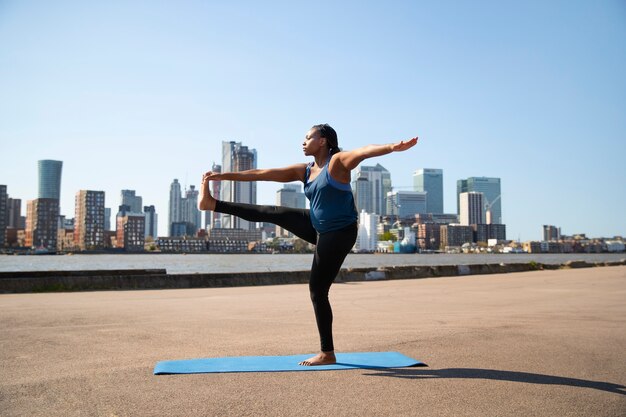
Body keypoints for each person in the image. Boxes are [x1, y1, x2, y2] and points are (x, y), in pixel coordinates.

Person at [199, 124, 418, 366]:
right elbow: (263, 173)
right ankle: (213, 204)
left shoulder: (337, 162)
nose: (303, 142)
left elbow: (364, 151)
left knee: (317, 289)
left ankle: (327, 353)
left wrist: (393, 147)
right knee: (272, 212)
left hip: (339, 232)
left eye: (308, 137)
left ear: (323, 140)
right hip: (317, 225)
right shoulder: (305, 170)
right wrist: (221, 176)